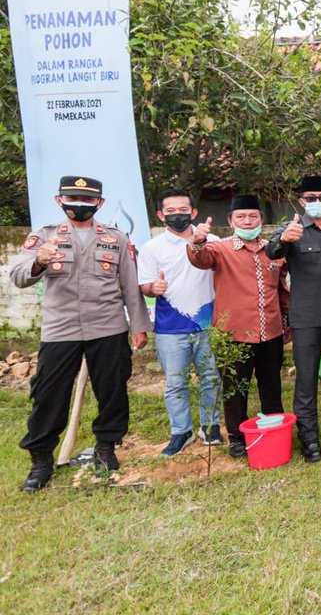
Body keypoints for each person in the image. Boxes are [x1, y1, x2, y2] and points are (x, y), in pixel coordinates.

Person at [11, 176, 150, 492]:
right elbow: (18, 277)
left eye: (87, 200)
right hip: (61, 329)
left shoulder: (116, 238)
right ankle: (41, 459)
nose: (80, 204)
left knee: (113, 391)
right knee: (48, 394)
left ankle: (106, 447)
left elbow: (130, 286)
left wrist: (139, 326)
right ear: (59, 200)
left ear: (99, 204)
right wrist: (38, 262)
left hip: (109, 326)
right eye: (72, 198)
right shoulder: (44, 237)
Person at [187, 195, 290, 460]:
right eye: (241, 217)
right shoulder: (219, 249)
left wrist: (288, 322)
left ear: (261, 220)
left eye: (253, 216)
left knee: (271, 387)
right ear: (231, 221)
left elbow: (282, 292)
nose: (247, 221)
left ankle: (274, 430)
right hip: (234, 334)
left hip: (271, 332)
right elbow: (199, 258)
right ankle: (236, 437)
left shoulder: (274, 251)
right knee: (235, 389)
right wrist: (197, 240)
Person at [266, 175, 321, 463]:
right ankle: (309, 437)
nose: (317, 202)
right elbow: (271, 251)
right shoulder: (292, 230)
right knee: (306, 381)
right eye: (311, 198)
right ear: (302, 201)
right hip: (306, 319)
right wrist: (281, 239)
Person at [137, 188, 222, 456]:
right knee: (176, 382)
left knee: (211, 377)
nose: (178, 215)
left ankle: (211, 425)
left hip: (208, 324)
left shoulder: (213, 240)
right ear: (161, 215)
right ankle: (181, 431)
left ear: (193, 212)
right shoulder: (152, 248)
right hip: (171, 328)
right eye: (170, 211)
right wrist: (154, 288)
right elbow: (144, 286)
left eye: (183, 210)